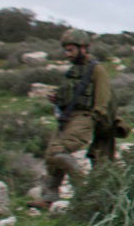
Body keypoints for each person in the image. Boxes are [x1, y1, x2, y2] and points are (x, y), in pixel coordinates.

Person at [28, 29, 111, 209]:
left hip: (84, 117)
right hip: (66, 117)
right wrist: (57, 97)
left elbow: (103, 98)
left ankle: (84, 192)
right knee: (51, 155)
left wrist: (95, 118)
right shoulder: (73, 70)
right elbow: (72, 92)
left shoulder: (96, 69)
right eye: (66, 50)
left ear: (83, 48)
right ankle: (49, 197)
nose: (67, 54)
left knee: (59, 152)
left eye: (71, 50)